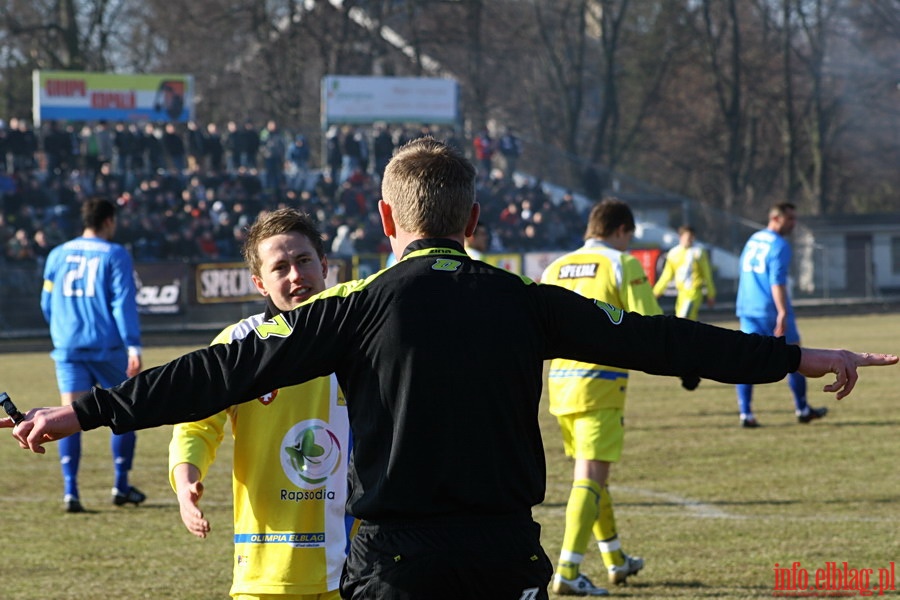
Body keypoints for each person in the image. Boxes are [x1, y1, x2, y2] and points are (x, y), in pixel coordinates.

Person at [5, 139, 897, 600]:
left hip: (394, 565)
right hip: (505, 554)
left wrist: (79, 412)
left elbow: (211, 374)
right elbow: (669, 342)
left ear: (386, 222)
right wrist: (803, 356)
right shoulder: (525, 297)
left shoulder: (348, 311)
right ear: (473, 218)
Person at [169, 208, 353, 599]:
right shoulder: (240, 344)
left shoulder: (363, 343)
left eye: (304, 261)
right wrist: (185, 484)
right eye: (280, 267)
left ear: (324, 266)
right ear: (260, 283)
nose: (296, 275)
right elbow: (198, 425)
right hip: (267, 574)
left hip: (355, 568)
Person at [541, 199, 662, 596]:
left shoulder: (555, 267)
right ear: (622, 231)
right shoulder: (621, 263)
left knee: (593, 477)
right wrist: (684, 365)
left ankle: (615, 558)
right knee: (590, 478)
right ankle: (569, 570)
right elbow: (650, 323)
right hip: (601, 383)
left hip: (560, 384)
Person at [39, 196, 144, 513]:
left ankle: (71, 492)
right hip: (106, 347)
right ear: (109, 220)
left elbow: (46, 303)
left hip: (68, 348)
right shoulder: (115, 254)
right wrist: (133, 345)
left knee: (67, 415)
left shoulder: (57, 255)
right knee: (127, 411)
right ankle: (120, 485)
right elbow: (122, 303)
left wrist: (63, 329)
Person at [735, 203, 829, 428]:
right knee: (795, 357)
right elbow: (777, 282)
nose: (793, 224)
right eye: (790, 219)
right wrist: (783, 312)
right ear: (776, 218)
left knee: (745, 360)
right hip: (770, 309)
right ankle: (803, 409)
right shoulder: (779, 245)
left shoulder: (753, 239)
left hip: (748, 307)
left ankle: (745, 414)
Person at [652, 225, 716, 321]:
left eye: (692, 237)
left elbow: (707, 275)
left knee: (684, 320)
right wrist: (656, 292)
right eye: (688, 237)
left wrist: (711, 294)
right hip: (681, 294)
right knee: (683, 323)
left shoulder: (698, 252)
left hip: (694, 293)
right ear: (681, 237)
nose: (690, 240)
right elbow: (666, 276)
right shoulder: (673, 253)